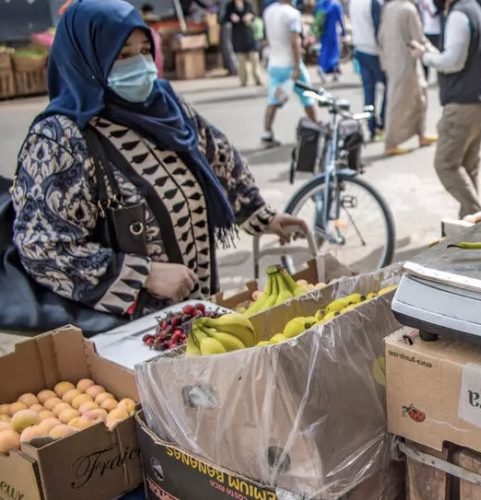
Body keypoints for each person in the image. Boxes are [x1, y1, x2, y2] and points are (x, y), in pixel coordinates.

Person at [10, 0, 306, 316]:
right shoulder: (60, 138)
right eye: (122, 56)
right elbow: (41, 246)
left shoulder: (165, 106)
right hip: (130, 332)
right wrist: (142, 275)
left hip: (200, 310)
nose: (139, 65)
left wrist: (260, 215)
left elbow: (218, 157)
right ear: (85, 59)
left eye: (144, 51)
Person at [409, 0, 481, 217]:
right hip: (478, 101)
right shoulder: (472, 8)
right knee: (467, 166)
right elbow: (455, 53)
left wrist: (424, 57)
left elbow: (454, 61)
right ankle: (469, 223)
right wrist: (431, 51)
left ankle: (479, 216)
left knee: (445, 164)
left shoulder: (459, 14)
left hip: (462, 105)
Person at [378, 0, 437, 155]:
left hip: (394, 60)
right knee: (401, 102)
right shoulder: (408, 9)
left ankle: (421, 133)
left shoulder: (389, 8)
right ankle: (391, 143)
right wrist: (436, 54)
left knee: (418, 96)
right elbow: (419, 38)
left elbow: (381, 36)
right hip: (406, 61)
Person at [261, 0, 319, 146]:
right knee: (308, 97)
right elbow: (294, 42)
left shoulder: (268, 11)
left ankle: (267, 133)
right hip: (290, 63)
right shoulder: (292, 14)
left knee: (274, 99)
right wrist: (297, 66)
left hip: (275, 62)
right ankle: (316, 128)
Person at [349, 0, 388, 138]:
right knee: (388, 87)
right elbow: (379, 29)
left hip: (360, 48)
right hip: (374, 51)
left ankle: (371, 127)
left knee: (368, 90)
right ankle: (383, 123)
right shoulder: (374, 3)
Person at [224, 0, 264, 86]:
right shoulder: (230, 6)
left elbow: (255, 14)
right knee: (241, 60)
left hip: (249, 34)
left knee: (254, 57)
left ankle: (258, 78)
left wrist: (250, 16)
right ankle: (243, 80)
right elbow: (224, 19)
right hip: (238, 35)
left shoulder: (248, 4)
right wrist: (231, 18)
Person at [314, 0, 346, 81]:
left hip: (323, 33)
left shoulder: (320, 3)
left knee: (324, 51)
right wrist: (343, 32)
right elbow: (340, 19)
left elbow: (315, 15)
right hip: (333, 32)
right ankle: (334, 72)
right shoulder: (336, 4)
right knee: (334, 52)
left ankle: (321, 68)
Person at [418, 0, 442, 79]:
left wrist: (428, 8)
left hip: (436, 31)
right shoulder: (422, 1)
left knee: (438, 55)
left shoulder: (437, 2)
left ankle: (440, 76)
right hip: (426, 31)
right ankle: (425, 77)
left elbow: (435, 14)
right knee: (424, 55)